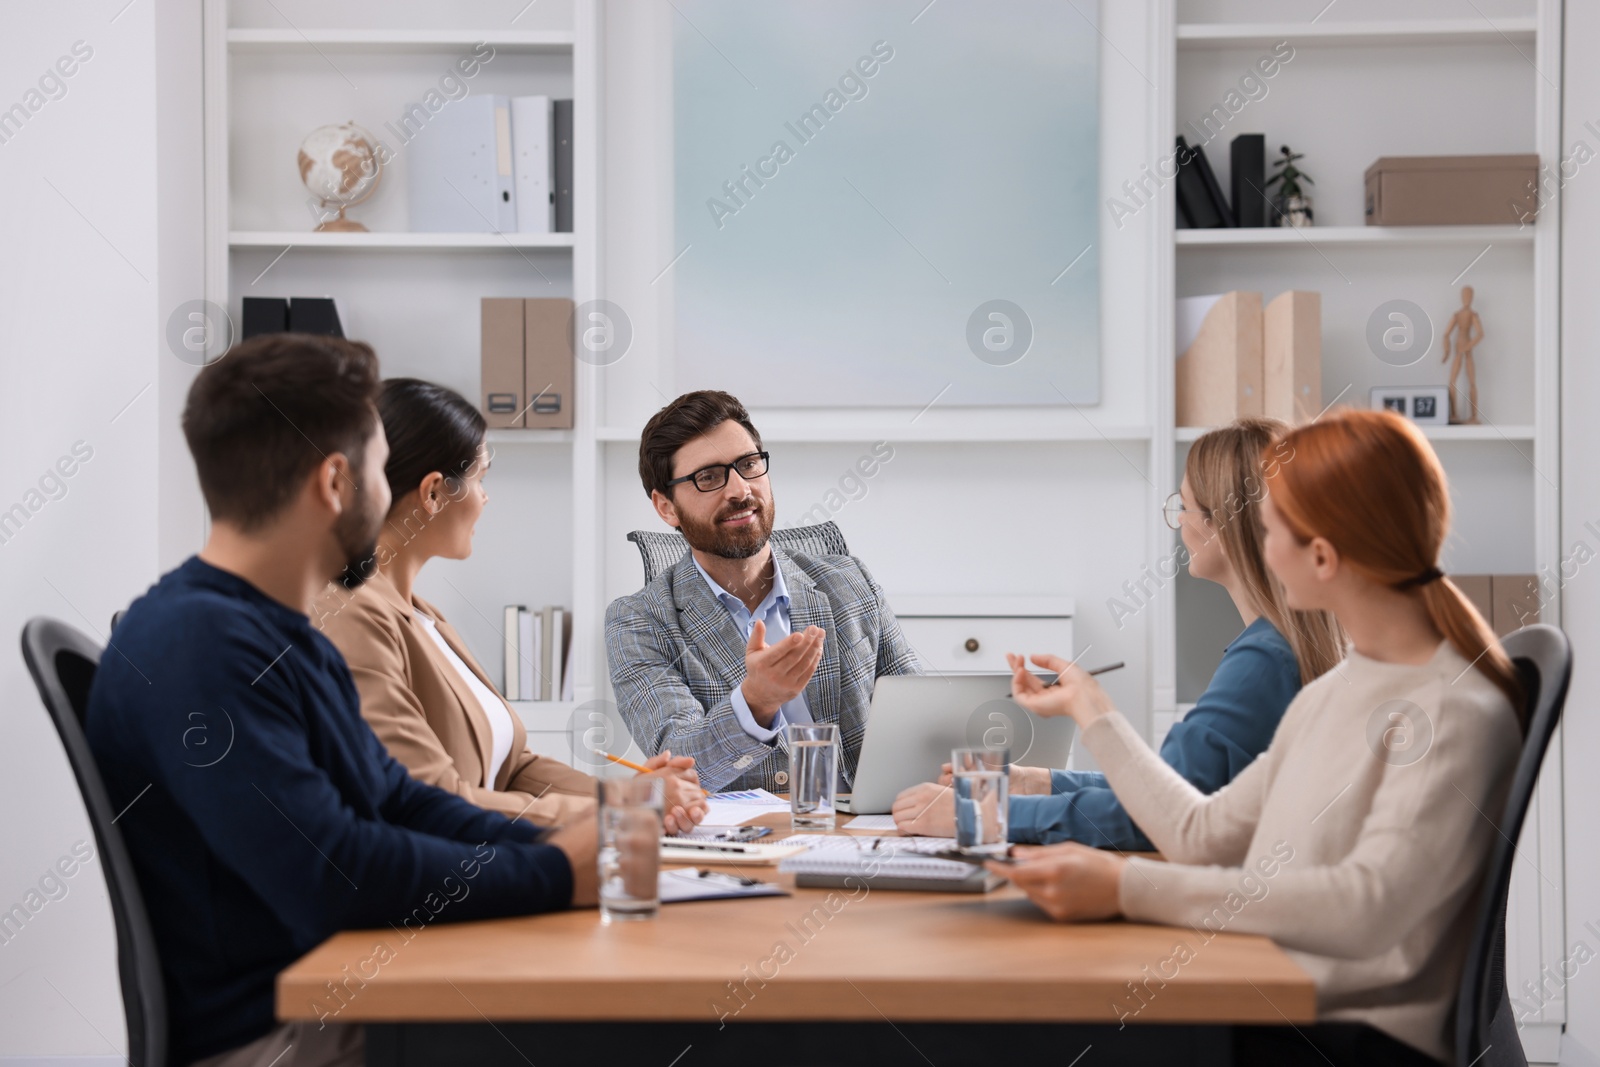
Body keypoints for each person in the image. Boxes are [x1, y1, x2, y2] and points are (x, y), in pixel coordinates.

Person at [86, 336, 597, 1067]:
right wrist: (556, 873)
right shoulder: (203, 645)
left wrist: (572, 847)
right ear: (335, 481)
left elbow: (404, 802)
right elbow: (334, 872)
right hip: (279, 1036)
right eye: (379, 470)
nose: (389, 495)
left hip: (343, 990)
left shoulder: (280, 635)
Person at [994, 409, 1523, 1067]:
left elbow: (1366, 905)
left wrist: (1127, 888)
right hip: (1278, 997)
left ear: (1322, 558)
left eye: (1270, 529)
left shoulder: (1457, 709)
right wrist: (1092, 710)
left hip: (1343, 1038)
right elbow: (1201, 830)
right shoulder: (1337, 691)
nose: (1260, 545)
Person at [891, 418, 1345, 846]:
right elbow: (1169, 786)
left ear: (1221, 525)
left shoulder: (1261, 662)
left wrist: (977, 817)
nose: (1180, 522)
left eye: (1183, 506)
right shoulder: (1285, 645)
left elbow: (1158, 817)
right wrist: (1042, 782)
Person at [316, 378, 707, 833]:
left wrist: (632, 793)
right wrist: (626, 808)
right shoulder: (353, 615)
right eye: (481, 479)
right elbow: (429, 799)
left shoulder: (427, 616)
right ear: (434, 493)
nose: (486, 497)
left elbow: (513, 766)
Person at [605, 390, 921, 792]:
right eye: (708, 477)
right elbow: (680, 770)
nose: (740, 489)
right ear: (666, 507)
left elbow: (916, 720)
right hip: (747, 847)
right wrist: (755, 702)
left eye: (749, 465)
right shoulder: (639, 622)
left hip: (872, 835)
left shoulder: (849, 583)